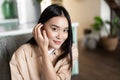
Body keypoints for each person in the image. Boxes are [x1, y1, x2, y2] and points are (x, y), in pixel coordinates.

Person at [10, 4, 78, 80]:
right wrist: (44, 49)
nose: (60, 36)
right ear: (41, 28)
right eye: (55, 29)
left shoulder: (70, 50)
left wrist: (44, 50)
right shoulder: (21, 54)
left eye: (65, 30)